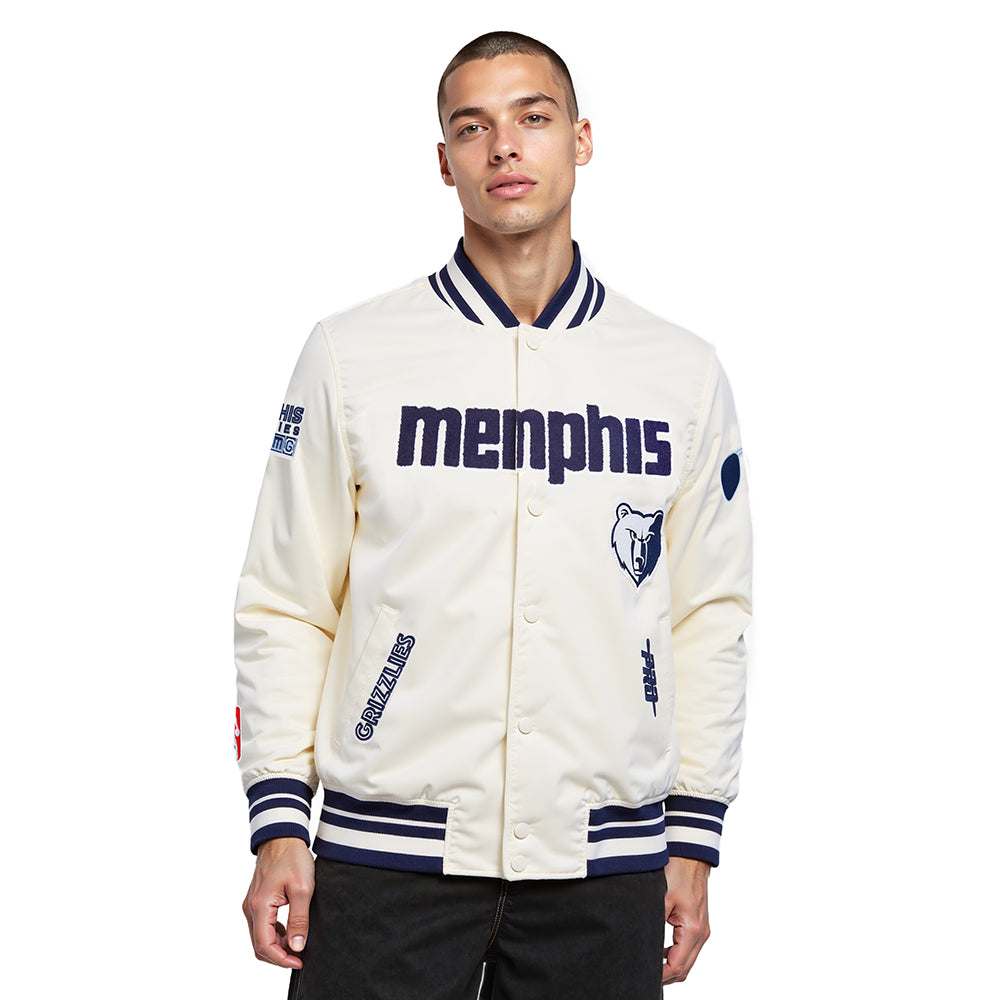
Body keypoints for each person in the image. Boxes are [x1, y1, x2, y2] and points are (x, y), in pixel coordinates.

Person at [236, 30, 752, 999]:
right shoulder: (354, 355)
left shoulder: (677, 373)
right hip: (385, 853)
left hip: (605, 861)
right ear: (445, 162)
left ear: (581, 140)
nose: (504, 146)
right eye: (472, 128)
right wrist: (277, 820)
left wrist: (694, 832)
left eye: (533, 117)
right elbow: (286, 599)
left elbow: (707, 614)